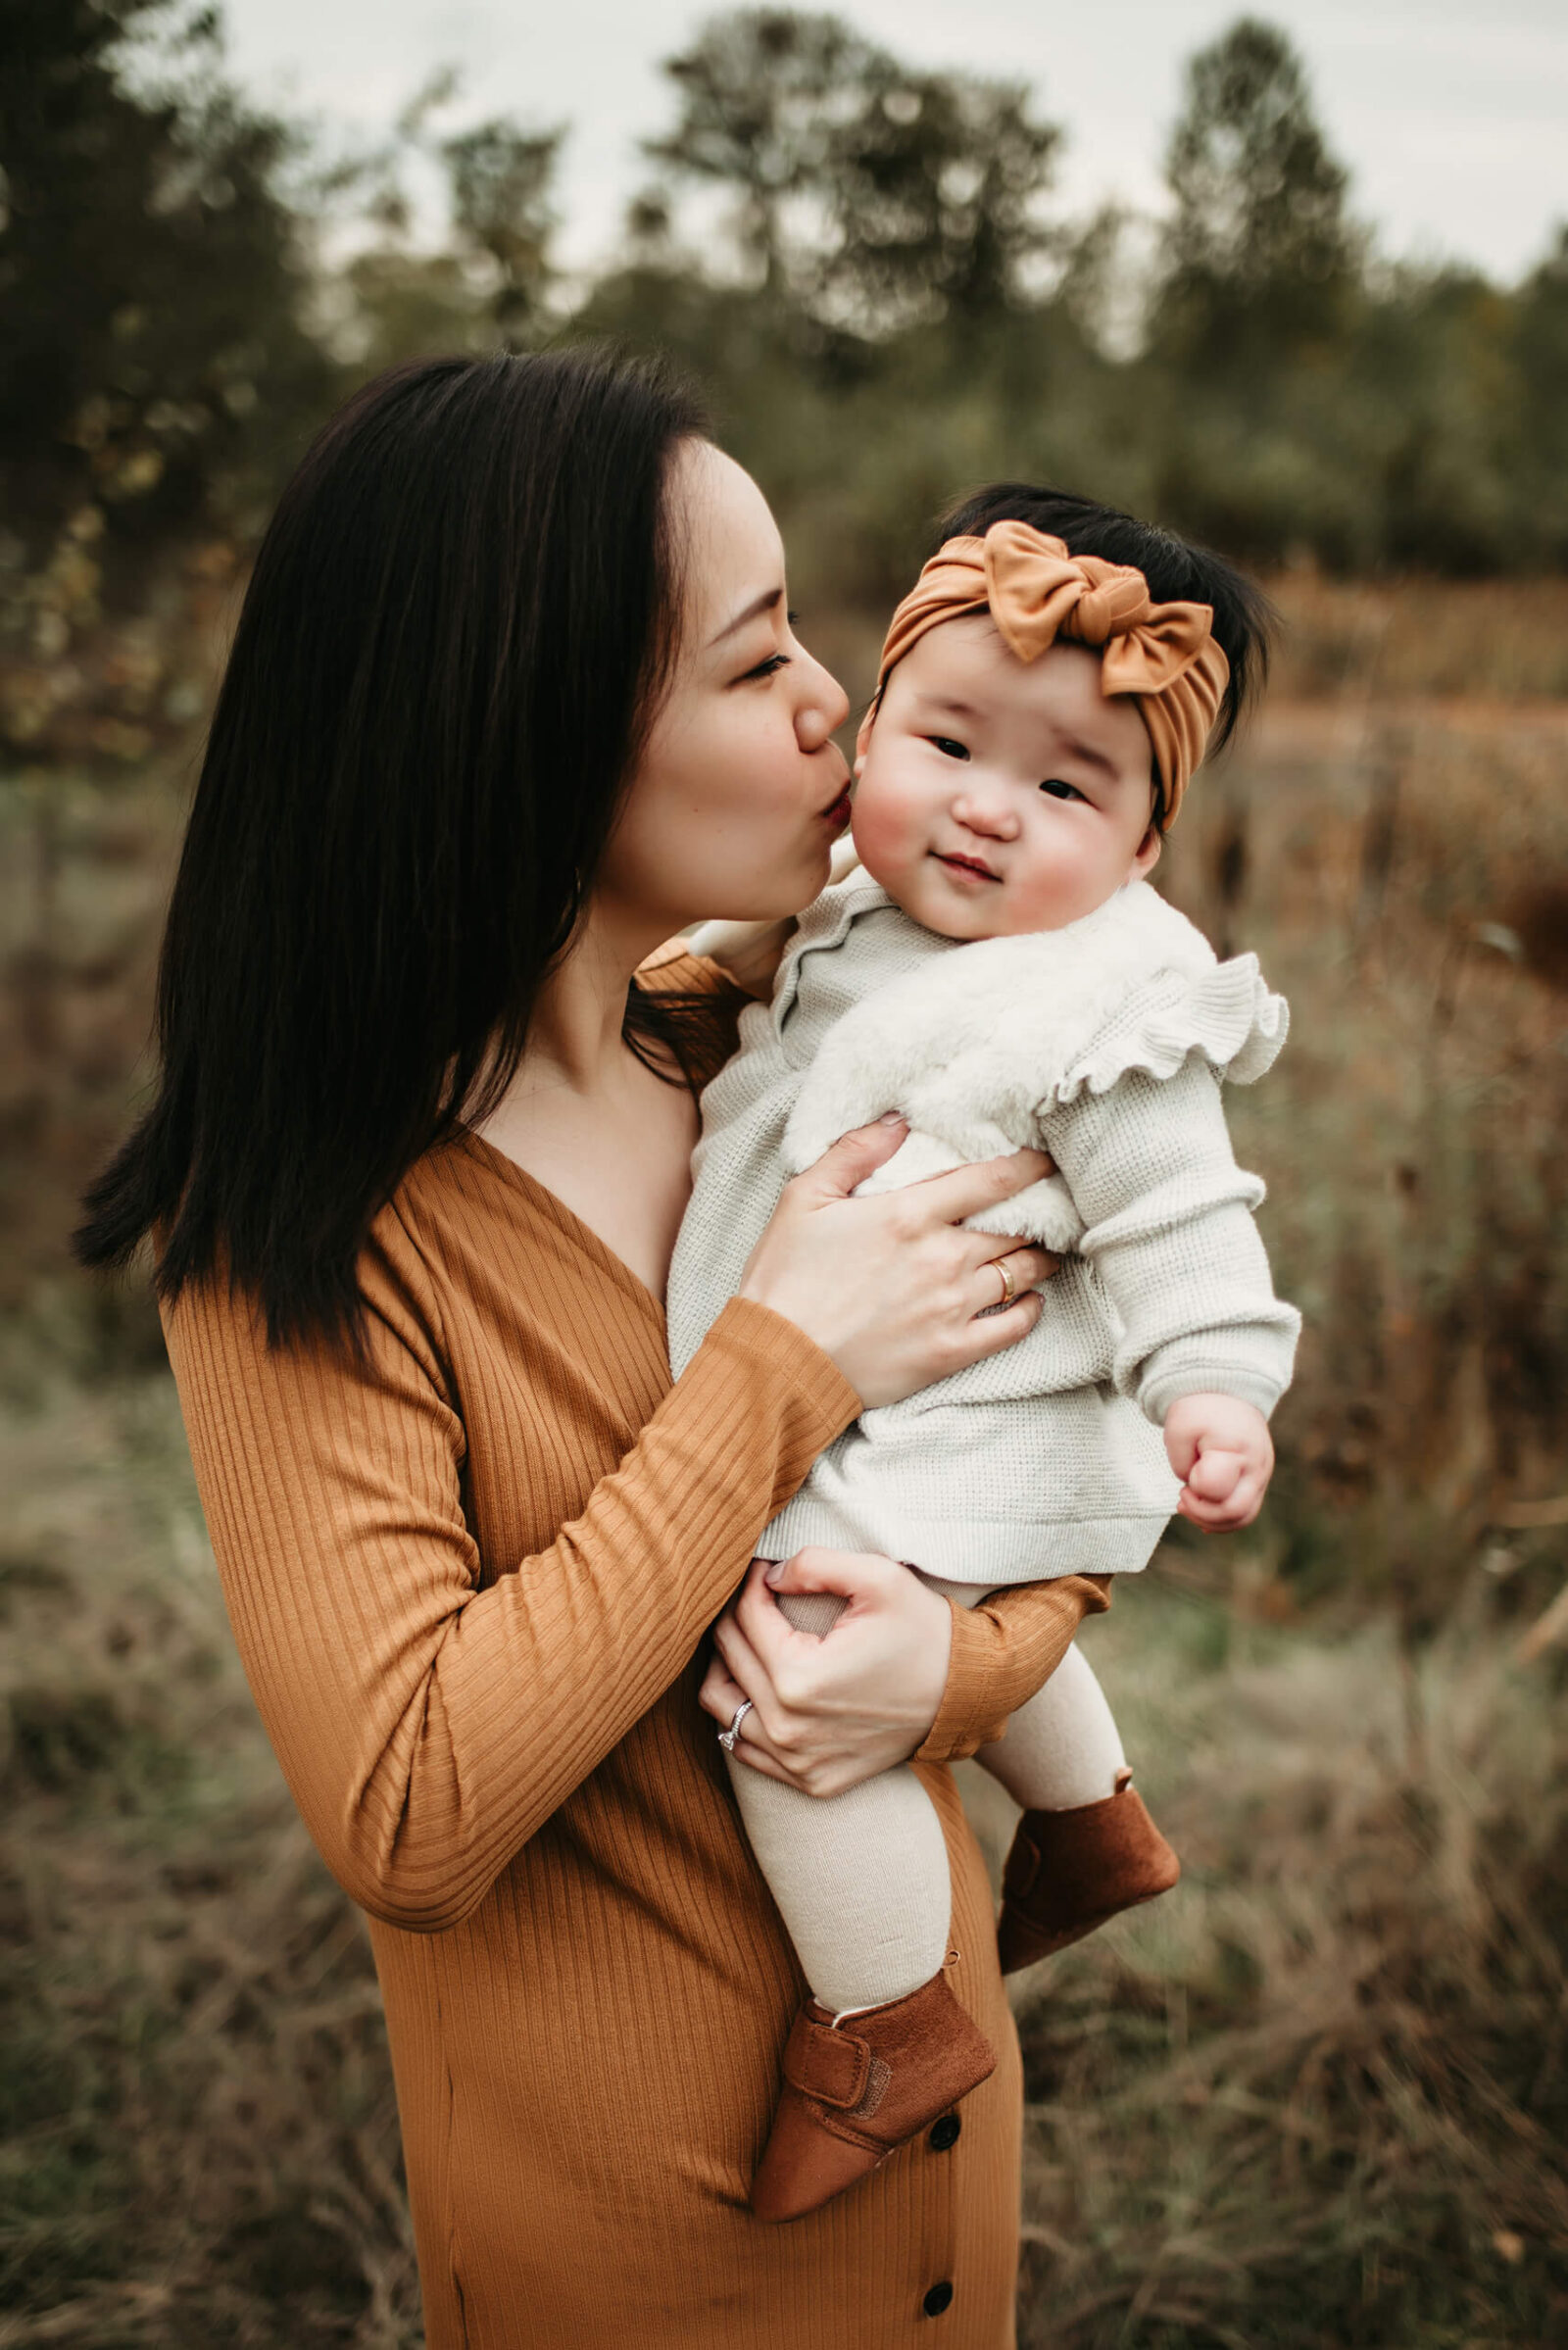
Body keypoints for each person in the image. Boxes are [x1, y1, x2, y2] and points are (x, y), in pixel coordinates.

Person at [74, 349, 1114, 2349]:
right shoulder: (308, 1227)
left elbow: (1049, 1461)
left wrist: (957, 1671)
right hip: (649, 2260)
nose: (833, 702)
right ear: (523, 729)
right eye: (752, 659)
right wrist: (773, 1371)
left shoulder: (774, 1064)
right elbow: (409, 1810)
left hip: (939, 2177)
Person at [668, 493, 1300, 2221]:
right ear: (875, 730)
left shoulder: (1104, 1005)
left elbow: (1182, 1214)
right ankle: (1093, 1821)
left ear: (1148, 848)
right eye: (949, 743)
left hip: (959, 1422)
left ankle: (886, 2021)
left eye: (1068, 788)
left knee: (793, 1691)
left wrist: (1215, 1386)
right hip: (889, 1399)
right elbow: (747, 980)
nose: (988, 807)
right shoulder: (844, 899)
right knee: (901, 1602)